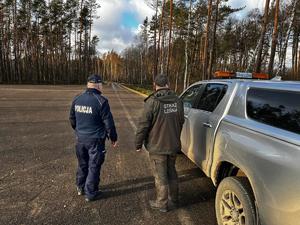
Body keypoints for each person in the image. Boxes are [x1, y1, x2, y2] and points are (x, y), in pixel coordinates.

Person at [135, 74, 184, 212]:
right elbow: (181, 121)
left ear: (155, 85)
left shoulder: (152, 102)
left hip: (157, 147)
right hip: (173, 145)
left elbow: (143, 125)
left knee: (160, 176)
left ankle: (162, 203)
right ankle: (174, 199)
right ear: (168, 84)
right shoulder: (178, 100)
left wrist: (138, 144)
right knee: (172, 172)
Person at [69, 74, 118, 202]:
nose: (102, 87)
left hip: (80, 138)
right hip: (95, 140)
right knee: (94, 166)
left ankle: (80, 187)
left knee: (82, 163)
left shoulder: (77, 99)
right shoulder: (101, 101)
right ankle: (91, 193)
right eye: (101, 85)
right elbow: (109, 123)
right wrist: (113, 137)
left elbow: (72, 119)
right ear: (97, 84)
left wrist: (79, 131)